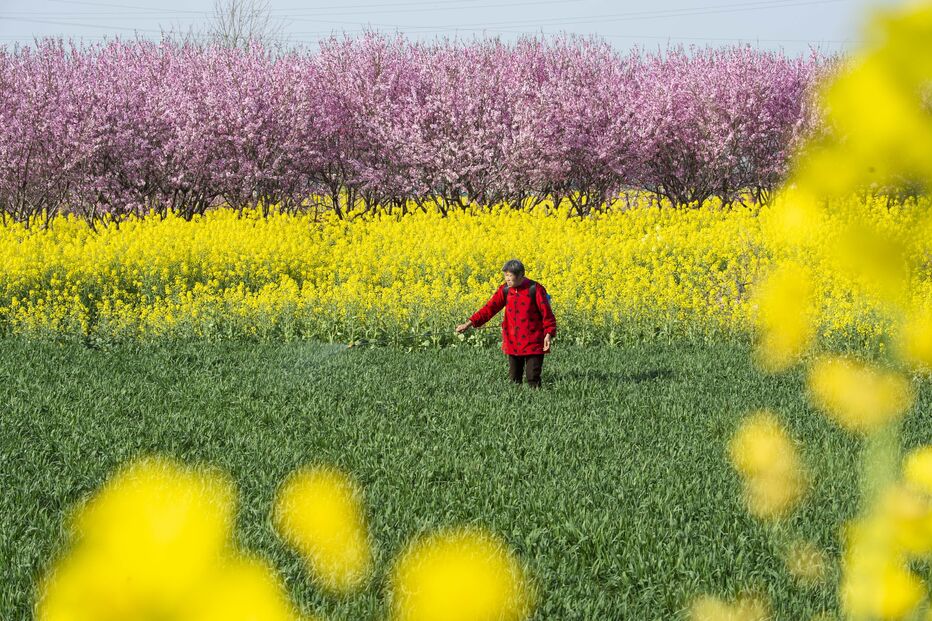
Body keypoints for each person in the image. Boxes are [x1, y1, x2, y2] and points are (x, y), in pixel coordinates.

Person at [456, 259, 557, 389]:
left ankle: (536, 399)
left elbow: (547, 314)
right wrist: (468, 324)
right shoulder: (505, 290)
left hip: (534, 341)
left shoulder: (535, 289)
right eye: (505, 275)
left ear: (520, 275)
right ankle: (515, 400)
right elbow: (489, 309)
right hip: (513, 341)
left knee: (533, 378)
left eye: (510, 275)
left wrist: (548, 334)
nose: (507, 279)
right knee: (514, 379)